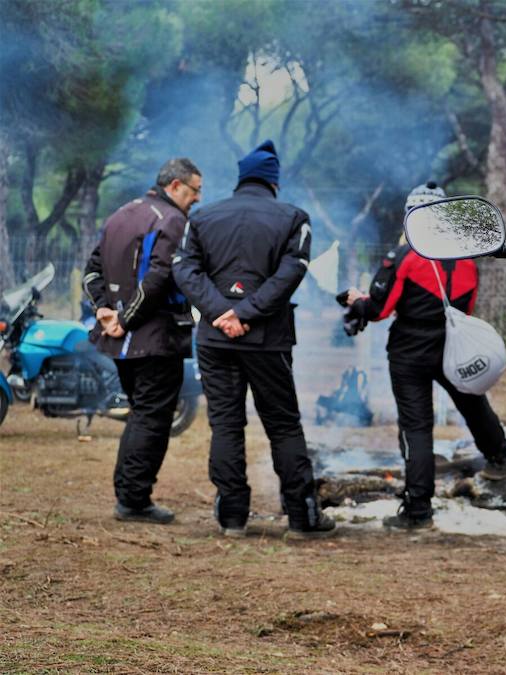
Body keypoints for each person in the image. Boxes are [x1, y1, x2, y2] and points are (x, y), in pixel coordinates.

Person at [172, 139, 334, 539]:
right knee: (283, 425)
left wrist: (220, 312)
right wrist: (244, 314)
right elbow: (290, 273)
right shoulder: (293, 217)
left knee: (225, 424)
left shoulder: (204, 217)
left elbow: (185, 269)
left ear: (242, 178)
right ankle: (301, 518)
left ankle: (232, 518)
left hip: (215, 339)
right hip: (268, 340)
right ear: (273, 183)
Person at [341, 182, 506, 530]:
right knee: (472, 401)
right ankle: (501, 458)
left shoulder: (403, 257)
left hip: (409, 349)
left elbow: (378, 309)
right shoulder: (466, 257)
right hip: (453, 345)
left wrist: (354, 301)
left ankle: (418, 509)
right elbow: (465, 306)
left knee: (416, 426)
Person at [83, 157, 202, 524]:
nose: (198, 198)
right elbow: (159, 278)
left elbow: (90, 269)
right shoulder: (172, 220)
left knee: (142, 415)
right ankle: (133, 500)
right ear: (175, 186)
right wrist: (122, 318)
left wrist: (103, 308)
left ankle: (130, 494)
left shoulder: (122, 213)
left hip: (121, 341)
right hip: (153, 338)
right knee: (152, 417)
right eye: (195, 190)